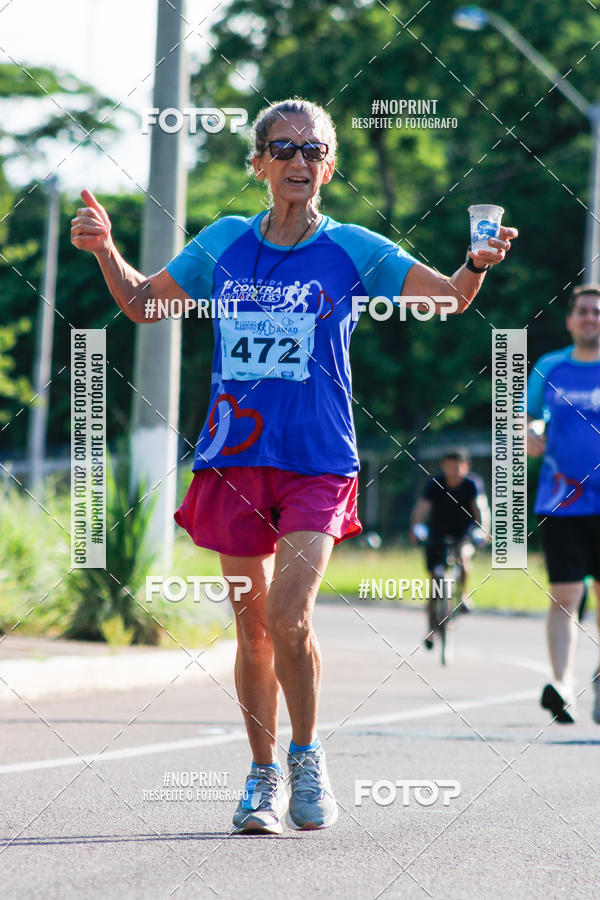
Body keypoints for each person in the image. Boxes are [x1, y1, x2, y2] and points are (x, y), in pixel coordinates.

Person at [71, 98, 517, 833]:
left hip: (317, 459)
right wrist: (104, 251)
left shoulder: (352, 250)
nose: (299, 161)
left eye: (313, 150)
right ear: (258, 165)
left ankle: (307, 757)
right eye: (283, 149)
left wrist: (476, 261)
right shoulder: (222, 243)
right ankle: (261, 774)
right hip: (236, 458)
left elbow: (450, 299)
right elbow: (145, 306)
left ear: (330, 167)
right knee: (250, 630)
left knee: (289, 615)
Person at [527, 285, 600, 725]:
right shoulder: (551, 367)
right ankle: (562, 685)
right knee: (565, 594)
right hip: (561, 500)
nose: (590, 318)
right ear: (570, 320)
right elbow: (526, 415)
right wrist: (529, 432)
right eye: (583, 312)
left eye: (597, 312)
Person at [410, 449, 490, 648]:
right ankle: (430, 630)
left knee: (464, 557)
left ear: (466, 467)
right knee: (434, 584)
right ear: (443, 466)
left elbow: (481, 510)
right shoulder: (434, 484)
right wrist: (416, 528)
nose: (453, 470)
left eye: (457, 466)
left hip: (464, 534)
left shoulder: (472, 484)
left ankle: (462, 595)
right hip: (437, 534)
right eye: (449, 466)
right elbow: (421, 509)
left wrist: (483, 530)